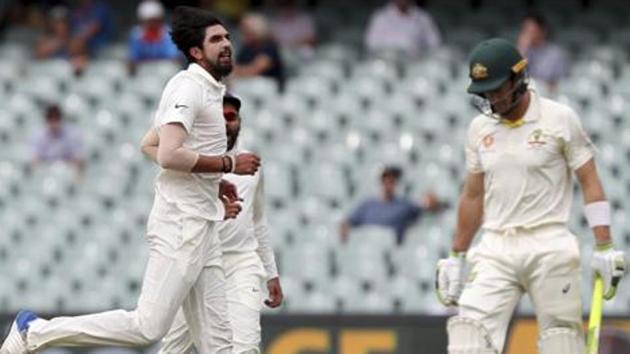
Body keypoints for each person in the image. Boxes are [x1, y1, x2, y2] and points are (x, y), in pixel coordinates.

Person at [1, 6, 262, 354]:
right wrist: (227, 162)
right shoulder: (188, 89)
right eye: (216, 39)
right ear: (196, 52)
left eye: (227, 36)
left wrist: (214, 179)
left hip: (205, 225)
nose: (226, 43)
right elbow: (167, 153)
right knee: (147, 328)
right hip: (182, 225)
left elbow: (149, 144)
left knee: (220, 346)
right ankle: (35, 331)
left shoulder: (212, 90)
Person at [435, 38, 626, 354]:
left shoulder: (559, 119)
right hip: (496, 246)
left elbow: (589, 180)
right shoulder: (479, 129)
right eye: (485, 92)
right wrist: (456, 256)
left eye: (497, 88)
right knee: (467, 339)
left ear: (518, 78)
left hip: (549, 244)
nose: (492, 99)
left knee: (561, 343)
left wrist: (604, 245)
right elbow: (472, 195)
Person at [141, 94, 284, 354]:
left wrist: (271, 272)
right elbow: (176, 210)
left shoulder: (251, 165)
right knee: (174, 349)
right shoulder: (189, 160)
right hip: (200, 262)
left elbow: (258, 220)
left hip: (241, 263)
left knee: (246, 348)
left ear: (239, 122)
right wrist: (217, 210)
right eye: (221, 118)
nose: (227, 123)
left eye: (232, 117)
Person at [339, 166, 442, 245]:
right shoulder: (367, 205)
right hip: (368, 248)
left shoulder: (404, 206)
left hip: (391, 254)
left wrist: (430, 199)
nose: (388, 185)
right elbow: (347, 222)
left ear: (396, 183)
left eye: (392, 181)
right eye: (385, 181)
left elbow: (431, 206)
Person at [364, 0, 441, 58]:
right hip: (387, 62)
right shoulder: (380, 17)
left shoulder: (423, 17)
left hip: (414, 63)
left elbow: (435, 43)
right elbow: (371, 44)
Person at [517, 12, 569, 93]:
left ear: (542, 31)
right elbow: (515, 72)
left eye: (531, 30)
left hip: (547, 95)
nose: (527, 34)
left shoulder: (555, 53)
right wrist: (521, 50)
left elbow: (560, 83)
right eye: (525, 30)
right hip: (525, 94)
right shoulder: (523, 51)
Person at [233, 13, 286, 92]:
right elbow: (234, 67)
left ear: (257, 31)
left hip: (270, 90)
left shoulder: (269, 46)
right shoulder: (246, 48)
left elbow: (255, 70)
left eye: (247, 31)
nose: (243, 34)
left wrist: (235, 71)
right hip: (248, 88)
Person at [128, 0, 181, 75]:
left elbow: (174, 58)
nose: (152, 24)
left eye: (155, 20)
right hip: (143, 70)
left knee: (170, 69)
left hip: (162, 70)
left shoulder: (168, 33)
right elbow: (133, 59)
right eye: (149, 21)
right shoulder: (136, 34)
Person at [31, 104, 84, 173]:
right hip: (45, 173)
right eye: (51, 119)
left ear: (60, 119)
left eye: (56, 118)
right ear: (47, 120)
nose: (54, 122)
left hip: (66, 171)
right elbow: (35, 160)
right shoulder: (39, 135)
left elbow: (78, 158)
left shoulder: (71, 134)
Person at [67, 0, 114, 73]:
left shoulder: (100, 8)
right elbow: (69, 32)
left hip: (100, 50)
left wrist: (77, 41)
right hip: (81, 53)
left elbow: (93, 29)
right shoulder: (77, 11)